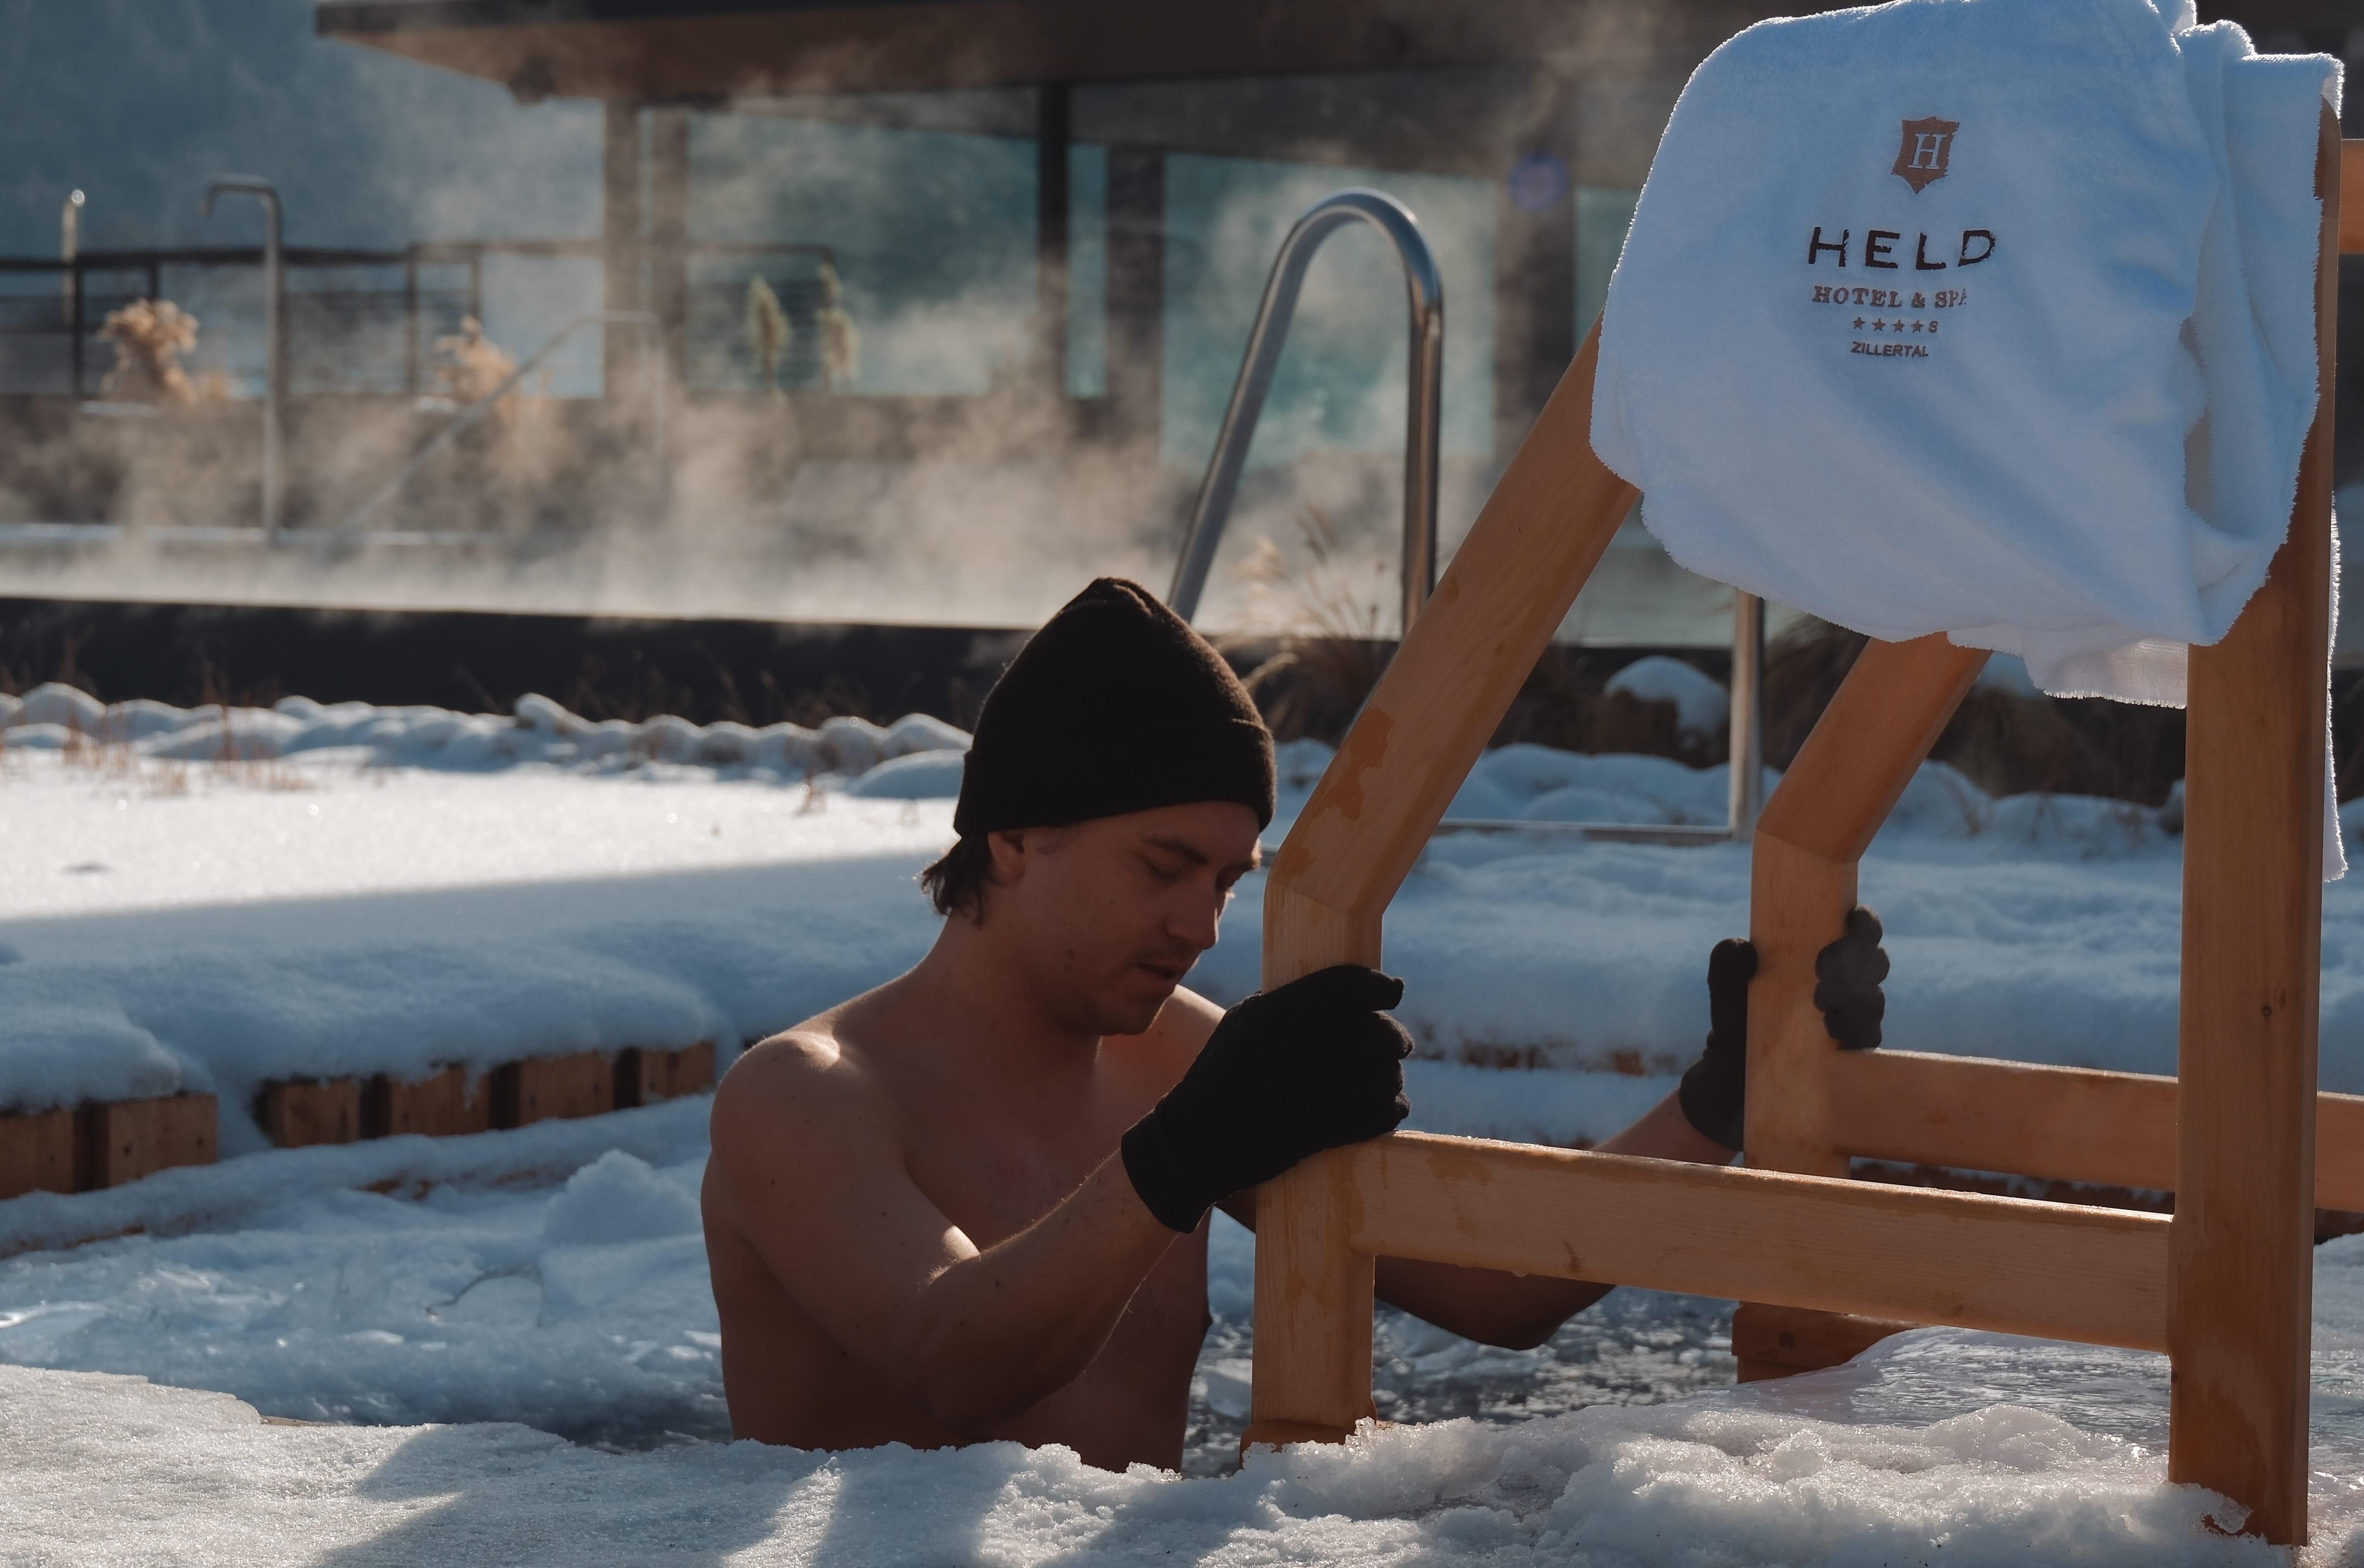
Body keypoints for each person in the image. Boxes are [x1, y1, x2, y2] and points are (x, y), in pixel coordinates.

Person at [701, 577, 1889, 1471]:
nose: (1202, 927)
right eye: (1165, 868)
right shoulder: (806, 1095)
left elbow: (1498, 1296)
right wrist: (1179, 1158)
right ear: (1012, 838)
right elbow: (956, 1366)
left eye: (1226, 881)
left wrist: (1714, 1104)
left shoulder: (1173, 1057)